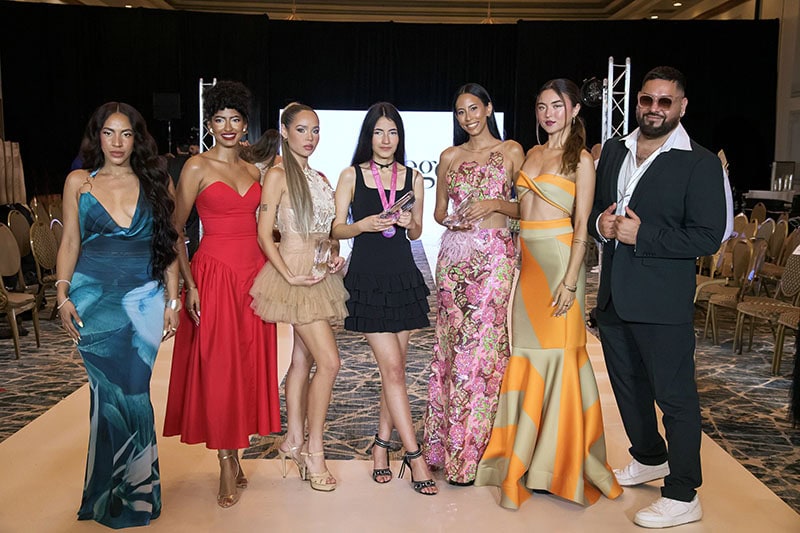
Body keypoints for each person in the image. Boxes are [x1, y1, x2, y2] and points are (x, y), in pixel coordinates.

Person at [588, 66, 726, 528]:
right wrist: (600, 225)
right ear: (638, 102)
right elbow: (596, 209)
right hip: (614, 297)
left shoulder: (699, 162)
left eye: (665, 101)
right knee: (628, 388)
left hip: (663, 303)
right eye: (647, 99)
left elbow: (708, 236)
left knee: (675, 399)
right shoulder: (614, 150)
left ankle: (684, 494)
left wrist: (642, 235)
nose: (654, 109)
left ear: (681, 107)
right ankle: (649, 457)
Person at [474, 79, 622, 508]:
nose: (548, 114)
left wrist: (572, 281)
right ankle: (525, 459)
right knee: (527, 357)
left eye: (556, 106)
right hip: (529, 270)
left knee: (559, 359)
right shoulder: (532, 154)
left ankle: (556, 464)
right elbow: (527, 211)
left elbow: (582, 226)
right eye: (541, 107)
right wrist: (496, 205)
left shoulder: (581, 160)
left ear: (574, 110)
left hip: (560, 264)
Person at [56, 102, 179, 528]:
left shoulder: (156, 180)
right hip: (93, 300)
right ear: (97, 137)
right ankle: (109, 494)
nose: (117, 142)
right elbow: (70, 241)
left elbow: (169, 244)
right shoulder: (80, 183)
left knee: (135, 391)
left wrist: (173, 299)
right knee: (107, 394)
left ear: (137, 139)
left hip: (144, 299)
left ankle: (135, 494)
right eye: (108, 133)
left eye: (125, 134)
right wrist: (62, 293)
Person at [163, 81, 280, 508]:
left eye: (235, 119)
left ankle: (237, 449)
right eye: (219, 119)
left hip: (254, 276)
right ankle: (226, 459)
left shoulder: (255, 170)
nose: (228, 127)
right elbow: (175, 230)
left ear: (245, 124)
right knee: (220, 367)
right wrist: (188, 285)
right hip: (213, 275)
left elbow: (269, 225)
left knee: (248, 365)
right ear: (209, 124)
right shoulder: (196, 166)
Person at [331, 102, 437, 495]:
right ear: (368, 136)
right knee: (393, 369)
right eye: (378, 132)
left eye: (392, 132)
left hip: (402, 279)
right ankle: (414, 455)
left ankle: (380, 446)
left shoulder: (414, 177)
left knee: (396, 371)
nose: (386, 139)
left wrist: (410, 223)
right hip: (367, 280)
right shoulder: (351, 175)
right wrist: (361, 225)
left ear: (400, 137)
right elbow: (336, 229)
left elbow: (416, 232)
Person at [423, 83, 524, 485]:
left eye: (473, 109)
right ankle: (445, 448)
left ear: (488, 108)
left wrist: (495, 204)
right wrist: (452, 221)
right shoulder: (450, 156)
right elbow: (438, 211)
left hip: (496, 256)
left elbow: (526, 208)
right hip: (455, 258)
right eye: (460, 112)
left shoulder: (512, 151)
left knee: (485, 348)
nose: (467, 118)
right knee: (452, 347)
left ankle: (479, 452)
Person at [249, 102, 348, 492]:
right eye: (302, 129)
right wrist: (287, 273)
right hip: (293, 275)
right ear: (285, 131)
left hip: (318, 273)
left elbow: (327, 232)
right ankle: (314, 450)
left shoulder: (319, 177)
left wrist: (335, 254)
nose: (310, 138)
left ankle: (292, 440)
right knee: (330, 362)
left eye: (316, 130)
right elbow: (263, 234)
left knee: (303, 360)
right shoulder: (276, 174)